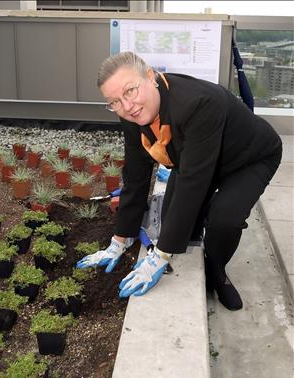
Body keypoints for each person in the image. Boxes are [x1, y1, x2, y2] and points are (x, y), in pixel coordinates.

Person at [76, 51, 282, 311]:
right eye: (114, 101)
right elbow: (136, 176)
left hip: (249, 157)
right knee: (179, 226)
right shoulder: (131, 112)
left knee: (224, 219)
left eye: (130, 91)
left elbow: (192, 183)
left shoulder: (198, 103)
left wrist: (159, 257)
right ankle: (199, 242)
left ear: (150, 77)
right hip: (200, 159)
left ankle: (217, 272)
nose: (126, 106)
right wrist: (119, 240)